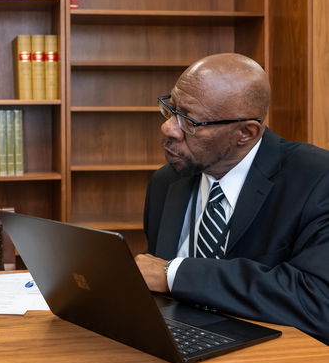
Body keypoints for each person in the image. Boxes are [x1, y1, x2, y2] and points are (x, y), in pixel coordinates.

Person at [135, 53, 329, 344]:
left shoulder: (317, 179)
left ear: (245, 133)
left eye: (188, 120)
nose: (168, 128)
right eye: (171, 108)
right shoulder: (167, 181)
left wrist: (173, 274)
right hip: (182, 347)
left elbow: (319, 301)